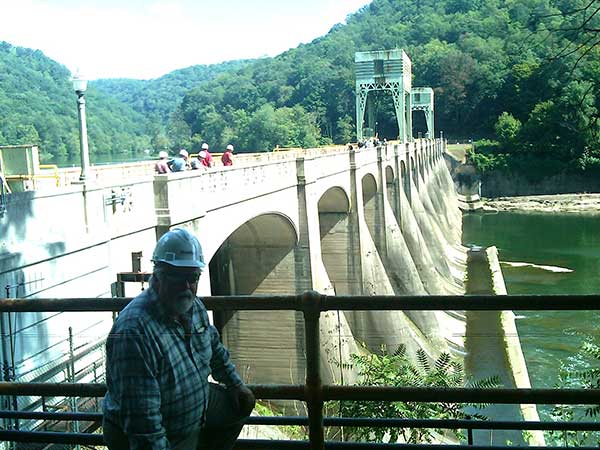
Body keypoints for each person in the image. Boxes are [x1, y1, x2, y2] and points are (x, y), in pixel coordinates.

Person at [103, 228, 255, 450]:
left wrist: (236, 384)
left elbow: (213, 347)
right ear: (159, 275)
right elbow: (144, 427)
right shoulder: (134, 333)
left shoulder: (193, 307)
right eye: (179, 277)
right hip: (163, 429)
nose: (188, 286)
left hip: (193, 408)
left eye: (193, 277)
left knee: (240, 405)